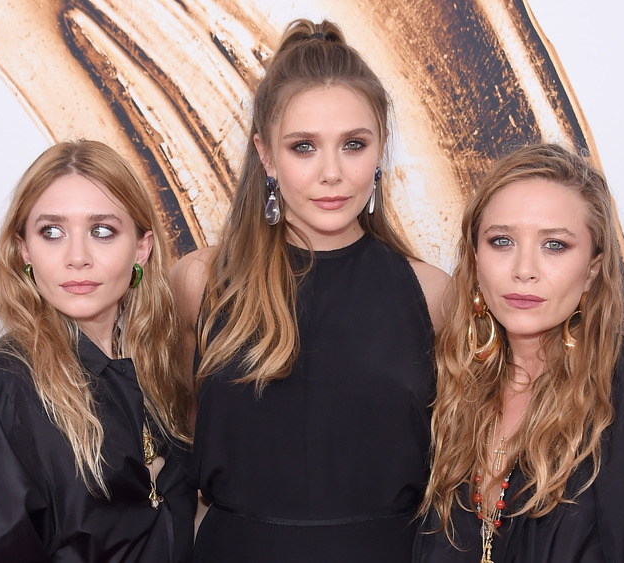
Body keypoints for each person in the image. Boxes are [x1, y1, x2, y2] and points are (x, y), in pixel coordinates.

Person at [171, 19, 449, 563]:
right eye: (303, 147)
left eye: (353, 144)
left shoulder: (433, 294)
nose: (332, 173)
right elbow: (177, 451)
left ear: (380, 151)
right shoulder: (200, 282)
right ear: (267, 156)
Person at [414, 143, 624, 562]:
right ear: (475, 260)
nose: (524, 268)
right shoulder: (456, 383)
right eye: (501, 241)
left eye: (554, 245)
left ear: (591, 269)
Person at [0, 140, 195, 563]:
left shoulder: (161, 367)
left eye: (102, 231)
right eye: (52, 232)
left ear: (141, 248)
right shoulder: (0, 387)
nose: (77, 257)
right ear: (24, 250)